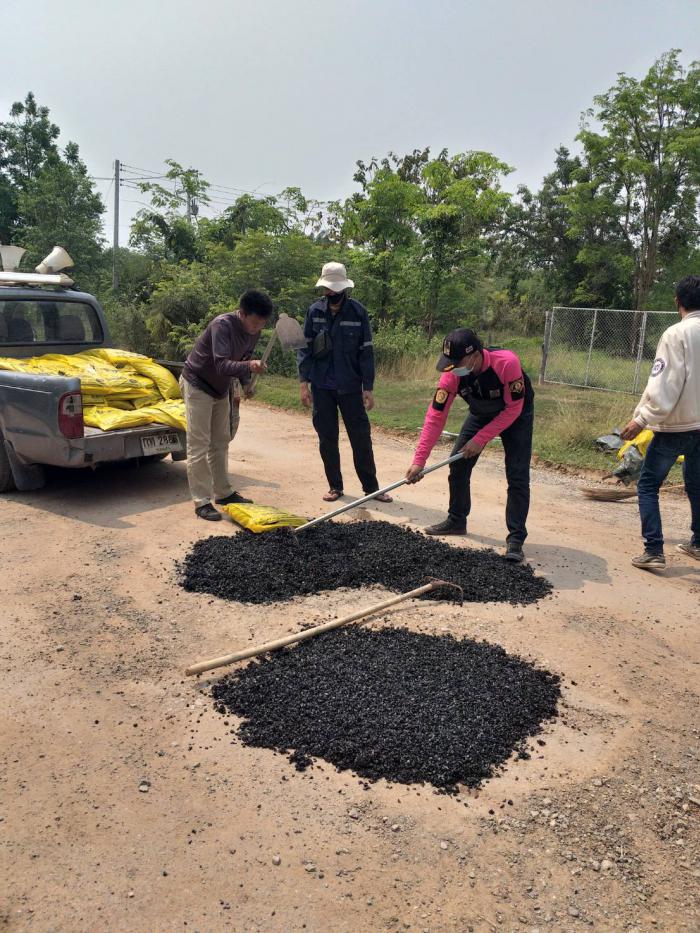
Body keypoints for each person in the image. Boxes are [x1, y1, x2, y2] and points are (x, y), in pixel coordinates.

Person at [405, 327, 534, 563]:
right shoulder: (452, 374)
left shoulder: (506, 363)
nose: (453, 366)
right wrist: (419, 460)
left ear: (475, 354)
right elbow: (435, 416)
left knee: (517, 475)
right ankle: (456, 520)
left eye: (458, 361)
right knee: (459, 467)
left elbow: (514, 408)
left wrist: (481, 439)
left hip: (516, 414)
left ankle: (515, 538)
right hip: (481, 411)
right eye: (450, 361)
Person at [620, 275, 700, 570]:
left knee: (648, 485)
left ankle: (654, 549)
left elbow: (666, 384)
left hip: (676, 426)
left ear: (678, 301)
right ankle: (699, 543)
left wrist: (642, 419)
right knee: (697, 485)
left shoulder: (675, 334)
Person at [297, 261, 391, 503]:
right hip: (322, 387)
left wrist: (368, 388)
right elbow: (304, 349)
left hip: (350, 386)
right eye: (327, 291)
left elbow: (366, 352)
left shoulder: (358, 312)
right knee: (327, 438)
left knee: (361, 438)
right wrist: (303, 383)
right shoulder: (314, 311)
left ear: (344, 289)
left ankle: (372, 488)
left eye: (335, 290)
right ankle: (335, 486)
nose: (331, 295)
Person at [180, 289, 272, 520]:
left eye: (261, 324)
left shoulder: (255, 331)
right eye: (253, 323)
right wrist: (249, 366)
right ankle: (202, 501)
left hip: (221, 389)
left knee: (220, 441)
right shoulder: (222, 325)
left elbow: (242, 359)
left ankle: (223, 493)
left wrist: (247, 381)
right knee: (198, 444)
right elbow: (222, 365)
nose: (256, 328)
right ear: (241, 313)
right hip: (198, 384)